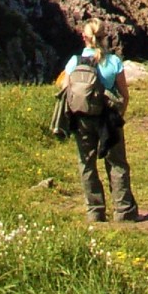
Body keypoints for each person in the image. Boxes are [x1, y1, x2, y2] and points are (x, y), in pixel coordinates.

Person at [60, 24, 138, 224]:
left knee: (86, 164)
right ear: (105, 37)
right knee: (117, 163)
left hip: (82, 119)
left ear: (84, 37)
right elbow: (124, 95)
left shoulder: (74, 62)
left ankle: (95, 212)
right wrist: (119, 115)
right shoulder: (113, 62)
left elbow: (64, 89)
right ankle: (124, 212)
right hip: (109, 119)